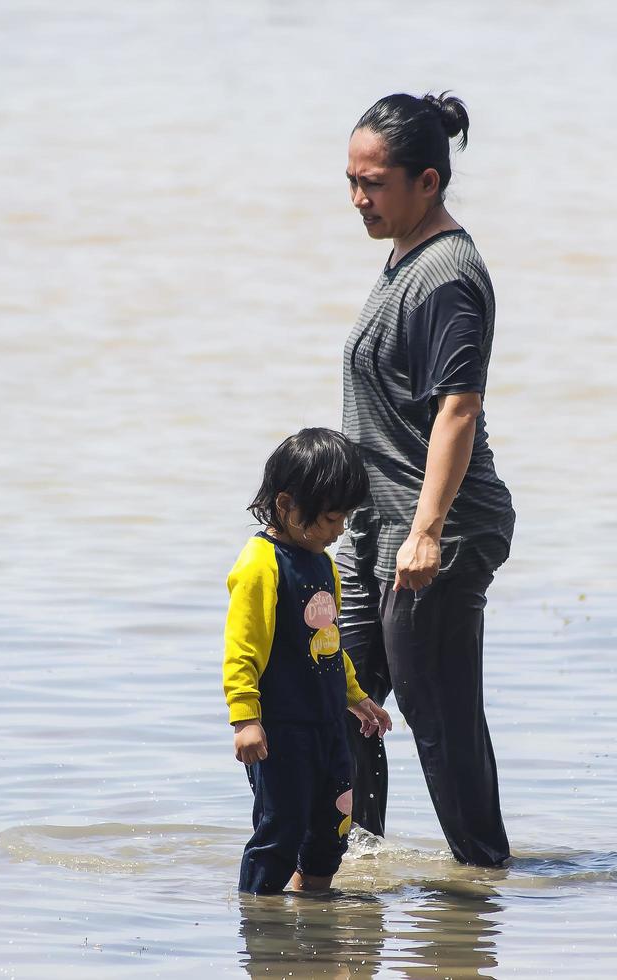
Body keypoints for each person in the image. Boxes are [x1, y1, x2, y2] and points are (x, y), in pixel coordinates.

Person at [337, 92, 515, 867]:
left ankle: (482, 884)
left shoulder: (447, 275)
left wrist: (427, 532)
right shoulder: (403, 256)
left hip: (433, 534)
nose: (358, 199)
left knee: (439, 725)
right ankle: (352, 867)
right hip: (372, 529)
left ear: (429, 181)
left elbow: (459, 409)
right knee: (338, 705)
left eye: (374, 183)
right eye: (350, 179)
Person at [224, 427, 394, 894]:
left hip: (327, 726)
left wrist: (357, 698)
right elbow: (242, 649)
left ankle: (314, 906)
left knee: (333, 826)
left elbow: (330, 644)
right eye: (331, 518)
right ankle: (260, 920)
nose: (340, 529)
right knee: (281, 829)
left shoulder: (323, 563)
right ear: (286, 505)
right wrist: (245, 719)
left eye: (345, 518)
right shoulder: (260, 564)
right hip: (280, 731)